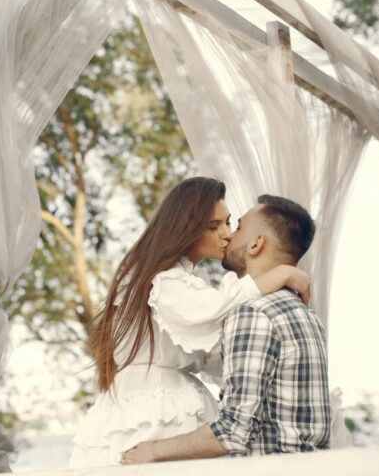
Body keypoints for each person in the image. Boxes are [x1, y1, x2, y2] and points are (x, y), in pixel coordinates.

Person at [68, 179, 311, 468]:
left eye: (229, 223)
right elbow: (216, 310)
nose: (226, 234)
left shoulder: (180, 281)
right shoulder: (163, 279)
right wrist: (281, 274)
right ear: (186, 227)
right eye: (213, 226)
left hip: (164, 395)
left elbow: (211, 356)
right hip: (153, 405)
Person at [121, 195, 330, 463]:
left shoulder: (253, 313)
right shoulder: (305, 314)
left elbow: (233, 432)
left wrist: (152, 451)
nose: (229, 236)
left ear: (256, 244)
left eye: (237, 226)